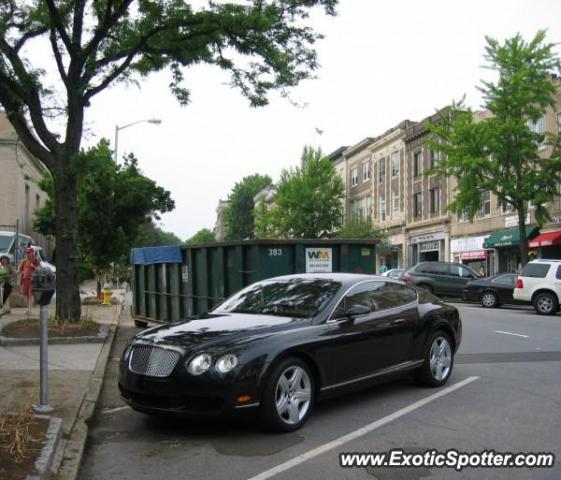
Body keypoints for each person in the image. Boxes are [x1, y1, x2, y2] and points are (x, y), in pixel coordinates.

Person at [18, 248, 40, 316]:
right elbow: (19, 270)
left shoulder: (36, 261)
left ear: (33, 253)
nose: (28, 254)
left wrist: (33, 266)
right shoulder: (24, 261)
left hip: (33, 280)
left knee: (30, 294)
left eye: (29, 253)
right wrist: (20, 272)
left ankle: (30, 309)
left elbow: (39, 270)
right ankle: (28, 308)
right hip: (24, 280)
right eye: (27, 253)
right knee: (25, 295)